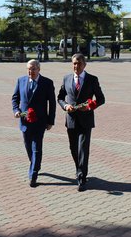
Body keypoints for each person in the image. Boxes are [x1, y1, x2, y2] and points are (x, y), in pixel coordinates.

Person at [57, 53, 105, 192]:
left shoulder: (92, 79)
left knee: (83, 149)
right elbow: (60, 97)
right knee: (73, 148)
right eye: (74, 63)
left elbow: (101, 99)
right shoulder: (66, 78)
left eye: (78, 63)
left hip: (86, 120)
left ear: (84, 65)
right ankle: (79, 170)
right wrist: (65, 106)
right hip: (71, 120)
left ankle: (81, 178)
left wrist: (89, 106)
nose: (76, 66)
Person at [11, 59, 56, 187]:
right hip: (25, 121)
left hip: (40, 122)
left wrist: (50, 121)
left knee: (37, 148)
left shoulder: (47, 83)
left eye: (33, 69)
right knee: (28, 146)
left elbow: (52, 104)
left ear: (39, 69)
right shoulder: (21, 81)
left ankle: (33, 175)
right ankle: (35, 163)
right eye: (29, 69)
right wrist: (16, 110)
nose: (31, 71)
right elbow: (15, 98)